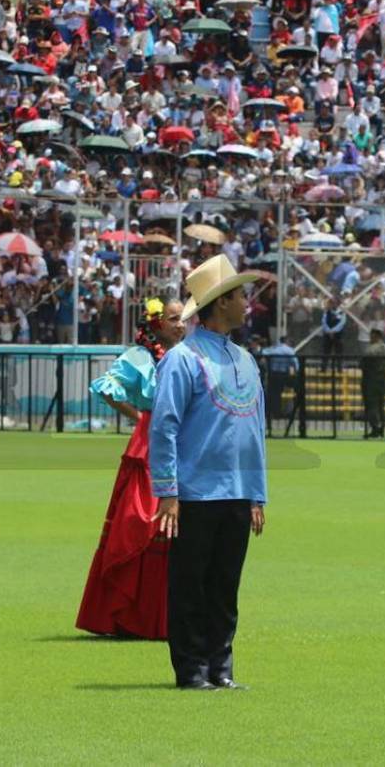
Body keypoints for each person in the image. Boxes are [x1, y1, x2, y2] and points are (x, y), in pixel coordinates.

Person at [150, 254, 268, 691]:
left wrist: (257, 493)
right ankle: (192, 668)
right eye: (240, 296)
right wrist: (168, 491)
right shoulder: (182, 359)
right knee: (190, 586)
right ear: (220, 303)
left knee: (225, 586)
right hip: (195, 493)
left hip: (236, 491)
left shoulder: (245, 359)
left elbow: (254, 430)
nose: (247, 304)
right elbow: (164, 426)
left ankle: (222, 666)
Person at [77, 298, 185, 640]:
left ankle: (162, 615)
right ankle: (132, 614)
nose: (181, 324)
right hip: (151, 443)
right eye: (173, 319)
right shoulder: (141, 357)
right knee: (139, 521)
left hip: (181, 439)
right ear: (156, 324)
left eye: (183, 319)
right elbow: (106, 386)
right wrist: (140, 417)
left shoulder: (187, 356)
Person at [260, 335, 300, 433]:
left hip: (274, 375)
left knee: (274, 395)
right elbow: (295, 364)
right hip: (285, 375)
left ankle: (274, 414)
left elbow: (264, 352)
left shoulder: (274, 349)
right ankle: (294, 411)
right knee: (297, 391)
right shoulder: (290, 351)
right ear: (287, 341)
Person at [360, 328, 385, 438]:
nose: (370, 338)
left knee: (372, 404)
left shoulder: (370, 350)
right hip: (382, 379)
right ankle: (382, 427)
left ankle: (375, 428)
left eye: (371, 336)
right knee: (381, 405)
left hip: (370, 379)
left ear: (375, 336)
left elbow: (362, 365)